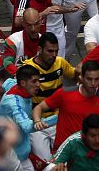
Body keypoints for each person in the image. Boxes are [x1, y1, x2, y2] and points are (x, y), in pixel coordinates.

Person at [33, 60, 99, 151]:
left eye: (96, 79)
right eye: (89, 79)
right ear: (81, 78)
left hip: (87, 156)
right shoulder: (64, 94)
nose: (93, 84)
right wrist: (37, 121)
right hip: (62, 152)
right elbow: (39, 107)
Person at [23, 32, 79, 162]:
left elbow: (74, 73)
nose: (54, 55)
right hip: (37, 125)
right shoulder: (27, 68)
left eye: (56, 51)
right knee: (45, 163)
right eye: (50, 51)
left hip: (58, 121)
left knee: (67, 159)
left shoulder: (60, 62)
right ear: (39, 50)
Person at [0, 64, 42, 171]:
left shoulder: (15, 84)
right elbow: (27, 126)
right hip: (10, 156)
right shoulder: (14, 103)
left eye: (38, 81)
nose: (38, 84)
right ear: (23, 83)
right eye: (34, 81)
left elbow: (6, 82)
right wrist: (57, 118)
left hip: (21, 152)